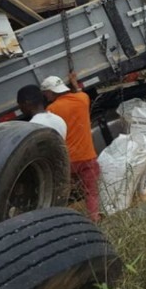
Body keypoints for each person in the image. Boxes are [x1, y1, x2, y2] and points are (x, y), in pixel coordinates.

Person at [41, 73, 100, 222]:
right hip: (87, 156)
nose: (45, 96)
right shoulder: (83, 99)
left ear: (51, 92)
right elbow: (79, 92)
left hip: (68, 161)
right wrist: (74, 82)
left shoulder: (51, 109)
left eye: (46, 93)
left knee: (63, 195)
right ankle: (94, 218)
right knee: (91, 192)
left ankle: (68, 223)